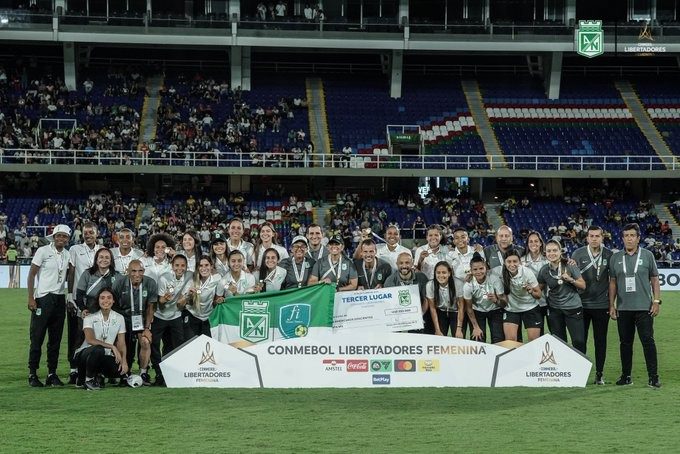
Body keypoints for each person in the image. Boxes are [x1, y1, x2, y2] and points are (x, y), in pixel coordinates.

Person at [609, 223, 662, 388]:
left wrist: (656, 301)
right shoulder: (615, 258)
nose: (629, 238)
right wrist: (612, 305)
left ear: (638, 238)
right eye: (626, 236)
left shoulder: (647, 255)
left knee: (648, 341)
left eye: (632, 235)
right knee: (625, 343)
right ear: (623, 238)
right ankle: (626, 376)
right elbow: (613, 282)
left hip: (644, 308)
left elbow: (654, 279)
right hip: (623, 308)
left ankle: (653, 377)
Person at [27, 224, 71, 387]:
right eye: (58, 235)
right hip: (43, 298)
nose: (61, 238)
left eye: (64, 236)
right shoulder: (43, 251)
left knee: (55, 339)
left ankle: (52, 373)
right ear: (54, 236)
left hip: (59, 298)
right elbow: (31, 274)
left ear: (67, 239)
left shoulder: (67, 254)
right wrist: (31, 297)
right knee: (37, 337)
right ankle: (32, 374)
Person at [571, 225, 613, 385]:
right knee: (579, 341)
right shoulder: (578, 254)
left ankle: (599, 374)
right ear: (587, 238)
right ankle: (579, 374)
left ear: (602, 237)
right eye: (591, 236)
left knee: (600, 340)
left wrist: (611, 304)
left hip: (601, 306)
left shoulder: (609, 255)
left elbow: (613, 282)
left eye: (597, 236)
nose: (594, 238)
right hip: (580, 305)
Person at [66, 221, 101, 384]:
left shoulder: (102, 250)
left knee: (97, 333)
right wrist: (69, 295)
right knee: (76, 334)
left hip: (98, 300)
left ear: (97, 233)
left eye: (91, 232)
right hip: (78, 299)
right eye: (85, 233)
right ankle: (73, 369)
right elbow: (71, 272)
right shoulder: (75, 249)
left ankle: (94, 369)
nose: (88, 235)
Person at [112, 259, 157, 386]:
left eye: (140, 271)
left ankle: (143, 372)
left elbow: (150, 307)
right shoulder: (119, 282)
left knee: (145, 341)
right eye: (133, 271)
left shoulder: (150, 283)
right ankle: (124, 372)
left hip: (141, 319)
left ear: (144, 271)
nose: (137, 274)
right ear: (128, 271)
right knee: (123, 343)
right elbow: (113, 304)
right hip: (123, 317)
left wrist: (147, 328)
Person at [537, 240, 586, 353]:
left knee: (578, 341)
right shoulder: (544, 270)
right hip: (555, 309)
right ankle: (565, 368)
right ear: (545, 253)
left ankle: (580, 368)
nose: (552, 253)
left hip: (573, 308)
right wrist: (529, 289)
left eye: (555, 250)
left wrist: (571, 280)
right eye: (549, 251)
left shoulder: (570, 265)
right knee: (559, 342)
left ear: (560, 251)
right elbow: (539, 288)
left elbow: (583, 285)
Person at [73, 287, 128, 391]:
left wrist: (124, 361)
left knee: (119, 371)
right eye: (102, 298)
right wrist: (112, 346)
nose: (106, 301)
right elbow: (90, 340)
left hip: (104, 355)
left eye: (109, 298)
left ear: (113, 300)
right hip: (84, 354)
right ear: (98, 301)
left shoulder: (119, 318)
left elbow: (121, 342)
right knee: (98, 349)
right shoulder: (89, 317)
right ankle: (87, 379)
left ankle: (98, 376)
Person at [152, 254, 192, 386]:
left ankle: (175, 373)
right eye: (177, 265)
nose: (180, 268)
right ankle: (158, 373)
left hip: (175, 315)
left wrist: (183, 301)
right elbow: (160, 303)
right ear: (172, 266)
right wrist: (164, 299)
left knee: (178, 345)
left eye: (182, 265)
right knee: (155, 345)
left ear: (186, 266)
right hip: (160, 316)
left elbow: (183, 303)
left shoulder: (189, 277)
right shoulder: (164, 278)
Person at [501, 248, 543, 343]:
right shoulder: (501, 273)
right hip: (512, 309)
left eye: (515, 261)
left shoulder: (527, 272)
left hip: (530, 307)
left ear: (520, 261)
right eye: (509, 261)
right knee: (510, 341)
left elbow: (539, 294)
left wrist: (531, 291)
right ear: (504, 262)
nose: (512, 264)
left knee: (534, 341)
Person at [384, 252, 431, 334]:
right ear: (397, 264)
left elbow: (426, 300)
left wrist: (419, 316)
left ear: (412, 263)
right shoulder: (390, 280)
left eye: (407, 263)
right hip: (397, 317)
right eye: (401, 263)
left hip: (418, 315)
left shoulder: (421, 277)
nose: (404, 266)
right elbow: (388, 304)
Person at [463, 252, 505, 343]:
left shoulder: (495, 279)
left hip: (495, 310)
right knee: (478, 339)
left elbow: (504, 303)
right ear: (471, 270)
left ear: (486, 267)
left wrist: (496, 300)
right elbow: (469, 308)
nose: (478, 272)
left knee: (498, 339)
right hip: (477, 311)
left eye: (481, 268)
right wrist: (475, 327)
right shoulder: (468, 285)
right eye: (475, 269)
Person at [183, 255, 225, 338]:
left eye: (206, 265)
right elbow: (185, 303)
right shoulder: (192, 280)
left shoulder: (217, 279)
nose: (204, 268)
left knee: (207, 346)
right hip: (193, 316)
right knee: (191, 344)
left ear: (211, 266)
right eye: (201, 266)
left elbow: (215, 302)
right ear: (198, 268)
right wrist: (189, 295)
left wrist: (219, 300)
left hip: (208, 317)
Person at [521, 231, 549, 334]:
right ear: (527, 244)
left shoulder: (547, 259)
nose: (534, 244)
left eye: (536, 241)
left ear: (541, 243)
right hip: (532, 303)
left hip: (549, 302)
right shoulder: (522, 260)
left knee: (555, 334)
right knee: (538, 336)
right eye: (531, 241)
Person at [427, 261, 464, 337]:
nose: (441, 275)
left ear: (449, 273)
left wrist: (459, 328)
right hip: (440, 312)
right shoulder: (430, 285)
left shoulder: (458, 283)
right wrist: (437, 329)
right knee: (440, 338)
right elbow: (432, 308)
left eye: (444, 272)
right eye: (438, 273)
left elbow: (461, 307)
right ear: (435, 273)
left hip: (455, 312)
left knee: (458, 338)